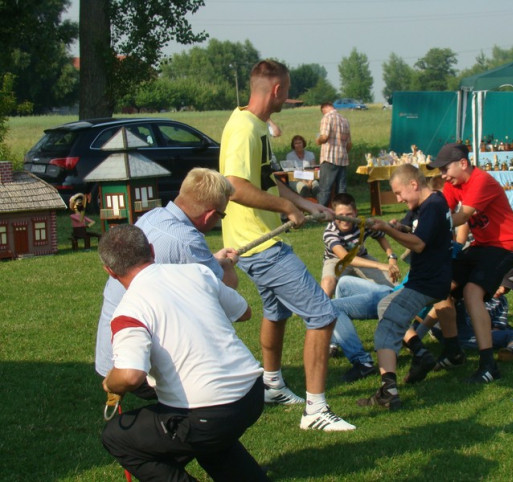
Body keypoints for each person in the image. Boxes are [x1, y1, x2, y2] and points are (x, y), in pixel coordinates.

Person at [220, 59, 354, 431]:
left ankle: (273, 385)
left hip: (252, 240)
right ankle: (315, 411)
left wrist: (305, 203)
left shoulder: (258, 126)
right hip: (257, 244)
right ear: (276, 90)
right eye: (288, 89)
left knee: (276, 312)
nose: (288, 96)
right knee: (322, 315)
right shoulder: (243, 129)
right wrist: (284, 208)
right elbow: (233, 186)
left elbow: (265, 181)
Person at [98, 225, 268, 482]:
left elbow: (131, 376)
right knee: (205, 437)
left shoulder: (128, 310)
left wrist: (110, 382)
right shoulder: (197, 272)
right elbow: (244, 312)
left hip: (206, 412)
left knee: (117, 436)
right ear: (152, 251)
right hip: (252, 394)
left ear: (109, 271)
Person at [95, 168, 239, 382]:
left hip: (111, 350)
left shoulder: (154, 215)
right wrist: (227, 266)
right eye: (222, 215)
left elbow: (178, 263)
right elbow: (225, 289)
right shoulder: (187, 240)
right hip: (134, 361)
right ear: (210, 214)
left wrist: (211, 259)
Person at [428, 143, 513, 384]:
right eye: (440, 171)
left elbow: (461, 216)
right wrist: (412, 219)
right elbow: (442, 208)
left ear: (463, 163)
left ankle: (488, 365)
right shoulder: (453, 184)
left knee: (472, 291)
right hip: (483, 246)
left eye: (445, 169)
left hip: (506, 245)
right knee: (442, 282)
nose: (443, 176)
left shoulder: (481, 180)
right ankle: (454, 351)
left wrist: (429, 225)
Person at [357, 164, 452, 410]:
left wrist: (388, 229)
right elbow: (411, 227)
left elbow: (419, 244)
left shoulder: (433, 206)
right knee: (385, 304)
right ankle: (420, 354)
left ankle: (388, 392)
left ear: (414, 184)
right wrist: (396, 226)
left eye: (399, 193)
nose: (398, 199)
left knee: (384, 332)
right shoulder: (423, 206)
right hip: (429, 280)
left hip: (427, 283)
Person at [427, 267, 513, 363]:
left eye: (507, 289)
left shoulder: (501, 302)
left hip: (480, 335)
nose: (502, 291)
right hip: (458, 331)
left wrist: (493, 330)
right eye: (501, 286)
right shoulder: (470, 290)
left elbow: (498, 325)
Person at [321, 192, 400, 297]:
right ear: (334, 214)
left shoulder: (362, 224)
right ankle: (322, 310)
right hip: (336, 261)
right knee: (328, 282)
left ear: (355, 213)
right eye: (340, 215)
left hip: (361, 257)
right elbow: (347, 258)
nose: (345, 219)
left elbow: (380, 236)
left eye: (349, 214)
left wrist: (391, 257)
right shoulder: (330, 232)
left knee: (394, 285)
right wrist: (381, 266)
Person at [316, 102, 352, 206]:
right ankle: (343, 211)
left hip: (329, 157)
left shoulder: (327, 118)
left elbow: (324, 137)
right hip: (343, 158)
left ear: (324, 109)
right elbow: (349, 144)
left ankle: (320, 212)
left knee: (325, 188)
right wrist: (344, 152)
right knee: (341, 189)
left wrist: (318, 141)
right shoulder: (345, 120)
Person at [285, 134, 319, 199]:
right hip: (296, 179)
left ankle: (318, 205)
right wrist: (304, 182)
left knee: (316, 186)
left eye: (300, 143)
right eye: (296, 143)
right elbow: (291, 173)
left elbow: (314, 169)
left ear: (303, 144)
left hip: (310, 178)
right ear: (293, 145)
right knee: (303, 187)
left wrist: (309, 182)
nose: (298, 145)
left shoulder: (310, 154)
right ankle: (302, 206)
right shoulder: (289, 156)